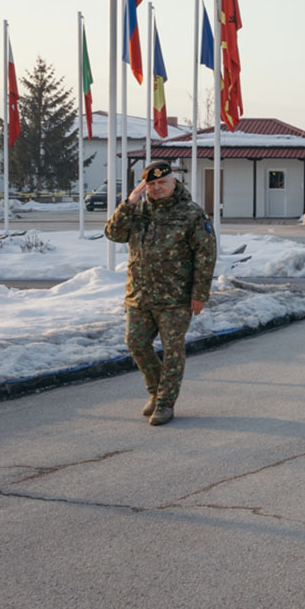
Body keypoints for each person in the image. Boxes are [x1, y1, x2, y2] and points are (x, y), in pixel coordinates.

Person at [104, 161, 217, 426]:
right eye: (151, 184)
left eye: (161, 183)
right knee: (136, 344)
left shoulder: (191, 213)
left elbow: (205, 255)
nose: (157, 188)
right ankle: (155, 392)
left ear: (173, 182)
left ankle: (166, 403)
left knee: (173, 349)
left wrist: (199, 293)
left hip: (175, 297)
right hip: (139, 294)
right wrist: (129, 203)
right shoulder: (138, 211)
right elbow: (113, 233)